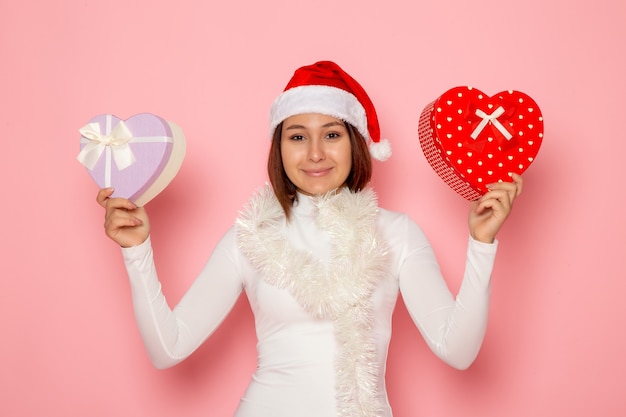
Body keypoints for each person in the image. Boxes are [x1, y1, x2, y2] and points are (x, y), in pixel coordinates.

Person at [96, 61, 523, 417]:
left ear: (356, 143)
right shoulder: (249, 235)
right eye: (297, 136)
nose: (315, 153)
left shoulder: (396, 233)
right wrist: (137, 252)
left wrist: (481, 246)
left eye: (332, 134)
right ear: (278, 148)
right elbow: (167, 348)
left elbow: (458, 351)